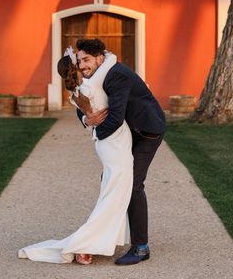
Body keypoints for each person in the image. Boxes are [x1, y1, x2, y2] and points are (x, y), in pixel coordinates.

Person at [18, 47, 133, 265]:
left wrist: (88, 120)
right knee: (114, 193)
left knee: (114, 191)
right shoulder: (91, 84)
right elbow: (111, 60)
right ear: (76, 67)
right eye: (80, 62)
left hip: (108, 142)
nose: (83, 64)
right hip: (114, 140)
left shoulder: (77, 90)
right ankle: (84, 244)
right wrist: (100, 52)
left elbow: (87, 114)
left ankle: (103, 239)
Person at [76, 38, 166, 266]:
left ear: (99, 56)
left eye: (86, 60)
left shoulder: (116, 74)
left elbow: (115, 118)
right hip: (129, 130)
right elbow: (86, 104)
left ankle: (141, 247)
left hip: (147, 130)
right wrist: (87, 119)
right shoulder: (95, 75)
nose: (82, 66)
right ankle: (111, 236)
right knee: (110, 178)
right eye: (79, 61)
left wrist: (95, 133)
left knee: (132, 182)